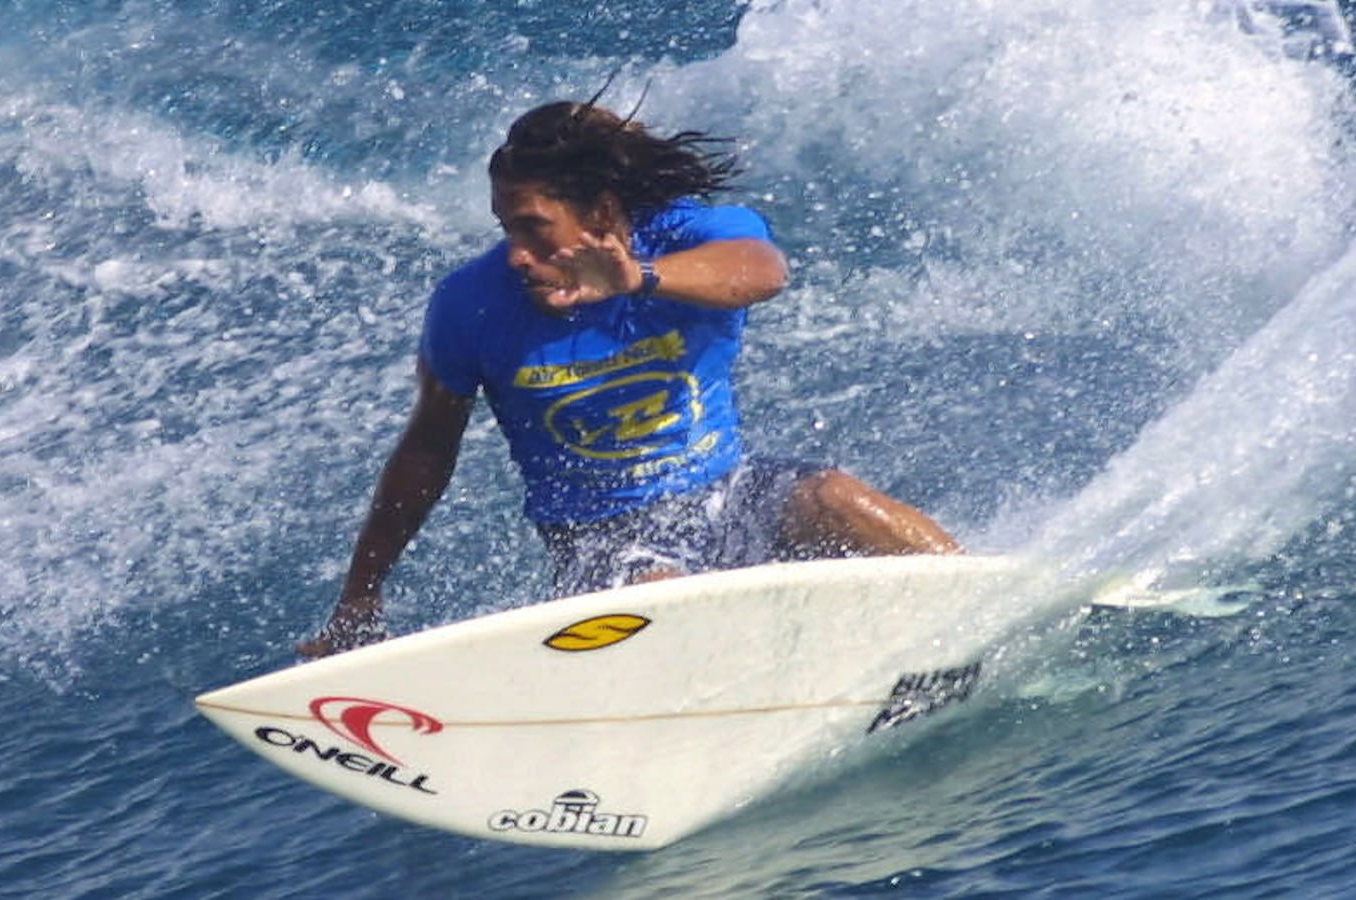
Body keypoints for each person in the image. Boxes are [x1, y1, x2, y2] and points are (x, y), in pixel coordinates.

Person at [299, 99, 960, 659]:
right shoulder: (470, 305)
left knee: (838, 499)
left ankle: (973, 616)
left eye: (534, 228)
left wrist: (638, 280)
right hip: (602, 540)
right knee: (658, 593)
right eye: (506, 229)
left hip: (732, 492)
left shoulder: (685, 238)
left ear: (601, 212)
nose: (518, 254)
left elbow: (762, 272)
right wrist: (362, 594)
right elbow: (426, 451)